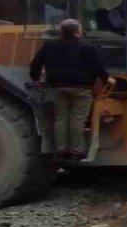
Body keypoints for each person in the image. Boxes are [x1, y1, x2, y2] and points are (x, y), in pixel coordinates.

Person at [28, 19, 111, 160]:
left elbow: (36, 63)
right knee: (77, 119)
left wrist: (35, 79)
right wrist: (104, 79)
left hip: (57, 88)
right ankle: (76, 152)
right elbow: (97, 68)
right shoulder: (86, 47)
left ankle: (61, 151)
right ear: (77, 32)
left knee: (60, 118)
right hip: (81, 89)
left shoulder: (50, 45)